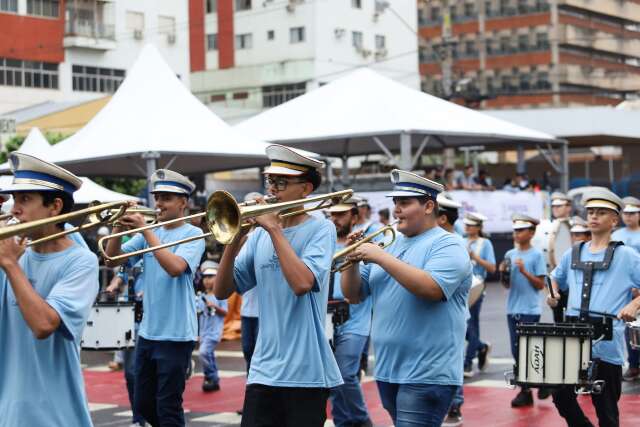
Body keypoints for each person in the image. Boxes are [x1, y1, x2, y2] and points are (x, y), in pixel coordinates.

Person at [214, 144, 342, 427]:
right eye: (271, 181)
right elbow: (222, 290)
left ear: (306, 189)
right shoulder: (258, 236)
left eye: (281, 182)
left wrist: (273, 228)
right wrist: (234, 239)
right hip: (263, 369)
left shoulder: (321, 228)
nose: (272, 189)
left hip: (305, 372)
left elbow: (302, 283)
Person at [341, 169, 472, 427]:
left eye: (405, 203)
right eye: (395, 203)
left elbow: (432, 289)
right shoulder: (389, 244)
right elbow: (353, 295)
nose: (396, 210)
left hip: (428, 373)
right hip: (389, 369)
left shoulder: (448, 244)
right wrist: (350, 261)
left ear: (429, 206)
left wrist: (379, 257)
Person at [0, 152, 99, 426]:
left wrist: (10, 264)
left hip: (56, 416)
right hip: (9, 414)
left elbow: (44, 325)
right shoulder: (13, 254)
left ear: (55, 207)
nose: (14, 209)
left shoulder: (81, 261)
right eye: (15, 200)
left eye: (25, 200)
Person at [104, 168, 205, 427]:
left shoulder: (193, 234)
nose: (159, 203)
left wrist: (146, 230)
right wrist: (117, 223)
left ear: (183, 203)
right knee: (143, 405)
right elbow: (112, 257)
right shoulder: (148, 233)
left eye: (167, 198)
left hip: (176, 334)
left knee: (168, 406)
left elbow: (175, 268)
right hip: (148, 332)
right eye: (157, 197)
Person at [548, 189, 640, 426]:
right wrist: (554, 292)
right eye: (590, 212)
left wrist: (634, 303)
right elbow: (555, 277)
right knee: (560, 395)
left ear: (614, 220)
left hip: (607, 342)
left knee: (606, 409)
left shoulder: (628, 255)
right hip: (571, 339)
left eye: (601, 213)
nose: (594, 217)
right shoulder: (573, 252)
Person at [328, 197, 373, 427]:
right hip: (326, 319)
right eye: (332, 214)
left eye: (341, 214)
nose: (334, 219)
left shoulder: (365, 244)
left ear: (354, 217)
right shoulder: (322, 243)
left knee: (345, 374)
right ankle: (342, 422)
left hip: (355, 318)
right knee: (332, 378)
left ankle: (362, 420)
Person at [499, 214, 547, 407]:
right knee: (516, 351)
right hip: (512, 308)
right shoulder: (510, 254)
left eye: (521, 230)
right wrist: (503, 272)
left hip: (530, 308)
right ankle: (526, 390)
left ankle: (539, 383)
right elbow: (506, 286)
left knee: (530, 350)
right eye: (515, 230)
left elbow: (540, 285)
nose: (517, 234)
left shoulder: (536, 255)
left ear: (532, 232)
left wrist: (525, 271)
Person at [435, 193, 467, 427]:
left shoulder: (456, 244)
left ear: (443, 218)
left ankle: (455, 404)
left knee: (452, 358)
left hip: (453, 311)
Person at [462, 212, 496, 378]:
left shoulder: (485, 243)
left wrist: (474, 257)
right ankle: (481, 347)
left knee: (471, 324)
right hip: (462, 287)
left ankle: (467, 363)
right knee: (463, 325)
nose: (467, 227)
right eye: (466, 225)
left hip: (477, 287)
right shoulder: (461, 240)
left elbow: (492, 268)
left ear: (478, 227)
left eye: (471, 225)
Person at [612, 196, 640, 381]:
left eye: (632, 213)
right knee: (628, 327)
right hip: (624, 288)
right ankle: (634, 364)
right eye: (626, 213)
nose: (628, 217)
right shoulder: (616, 236)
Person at [197, 261, 228, 392]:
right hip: (203, 331)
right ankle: (211, 379)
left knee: (203, 353)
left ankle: (211, 376)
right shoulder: (201, 296)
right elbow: (198, 314)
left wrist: (214, 306)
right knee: (208, 355)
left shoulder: (220, 295)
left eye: (211, 277)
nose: (207, 281)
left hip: (214, 331)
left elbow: (225, 312)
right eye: (205, 277)